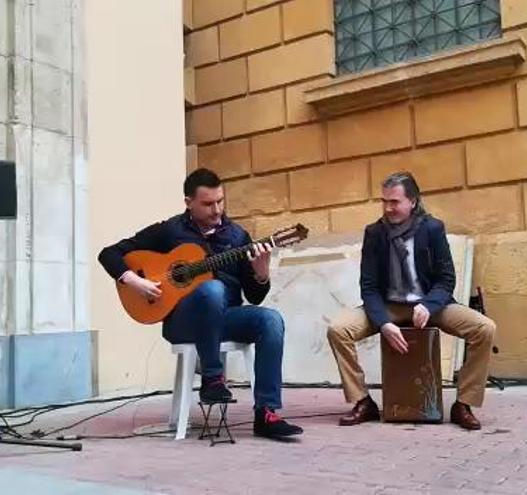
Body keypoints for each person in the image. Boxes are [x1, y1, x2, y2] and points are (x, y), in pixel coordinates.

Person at [97, 168, 303, 438]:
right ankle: (213, 378)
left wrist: (262, 273)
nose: (217, 210)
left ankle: (266, 412)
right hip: (183, 322)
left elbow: (254, 296)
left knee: (271, 319)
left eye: (220, 201)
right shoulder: (170, 231)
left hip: (225, 317)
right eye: (208, 204)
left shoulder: (238, 237)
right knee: (212, 289)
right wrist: (136, 282)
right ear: (188, 203)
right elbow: (109, 254)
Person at [326, 172, 496, 430]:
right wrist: (382, 322)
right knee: (338, 330)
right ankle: (363, 401)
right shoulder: (375, 233)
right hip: (388, 306)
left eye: (394, 202)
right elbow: (369, 287)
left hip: (428, 304)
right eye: (384, 201)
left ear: (413, 201)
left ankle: (464, 404)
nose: (388, 208)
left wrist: (428, 305)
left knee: (484, 328)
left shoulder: (432, 228)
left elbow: (446, 279)